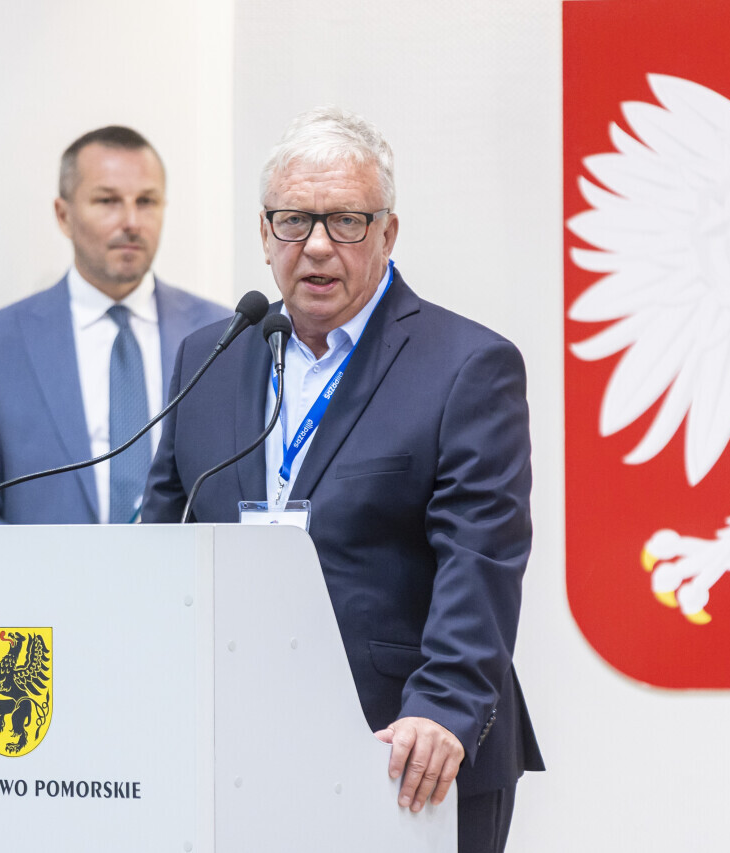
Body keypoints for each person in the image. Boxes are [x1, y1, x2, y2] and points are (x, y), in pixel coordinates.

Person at [143, 107, 542, 852]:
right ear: (265, 235)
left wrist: (444, 708)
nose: (319, 245)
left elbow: (479, 559)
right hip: (236, 750)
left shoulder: (466, 365)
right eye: (295, 221)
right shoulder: (209, 355)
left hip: (403, 752)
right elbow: (162, 541)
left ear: (388, 234)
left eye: (348, 222)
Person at [0, 126, 230, 525]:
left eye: (146, 201)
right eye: (107, 201)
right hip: (44, 567)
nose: (131, 222)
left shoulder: (222, 334)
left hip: (186, 565)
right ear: (64, 215)